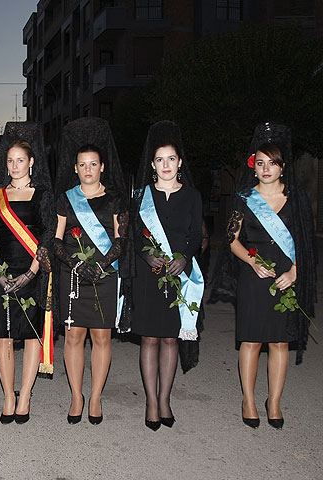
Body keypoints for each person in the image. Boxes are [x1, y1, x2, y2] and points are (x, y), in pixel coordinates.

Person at [211, 123, 316, 429]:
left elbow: (306, 243)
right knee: (252, 340)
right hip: (253, 276)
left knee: (280, 342)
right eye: (260, 163)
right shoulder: (245, 198)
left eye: (272, 163)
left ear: (282, 167)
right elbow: (231, 240)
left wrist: (295, 272)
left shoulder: (296, 200)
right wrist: (252, 262)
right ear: (253, 167)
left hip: (286, 275)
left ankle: (275, 401)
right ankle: (248, 399)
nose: (266, 168)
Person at [53, 118, 131, 425]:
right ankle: (76, 396)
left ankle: (96, 397)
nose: (88, 169)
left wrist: (100, 265)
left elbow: (120, 239)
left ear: (102, 167)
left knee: (101, 338)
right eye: (82, 165)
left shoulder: (114, 198)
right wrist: (75, 264)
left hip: (104, 274)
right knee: (73, 337)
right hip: (72, 276)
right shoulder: (65, 198)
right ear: (75, 168)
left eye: (93, 164)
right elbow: (57, 240)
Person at [131, 121, 204, 431]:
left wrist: (185, 258)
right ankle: (150, 401)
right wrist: (147, 255)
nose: (165, 165)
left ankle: (165, 400)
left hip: (179, 275)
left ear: (179, 162)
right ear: (152, 164)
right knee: (149, 339)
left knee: (171, 340)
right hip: (148, 277)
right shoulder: (141, 197)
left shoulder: (192, 196)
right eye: (159, 159)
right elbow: (133, 234)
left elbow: (195, 233)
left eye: (171, 159)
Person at [0, 122, 55, 424]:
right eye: (10, 161)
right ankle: (8, 395)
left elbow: (48, 237)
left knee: (30, 335)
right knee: (3, 336)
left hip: (33, 272)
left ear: (32, 163)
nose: (15, 166)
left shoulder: (42, 195)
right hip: (2, 273)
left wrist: (31, 273)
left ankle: (25, 394)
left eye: (20, 160)